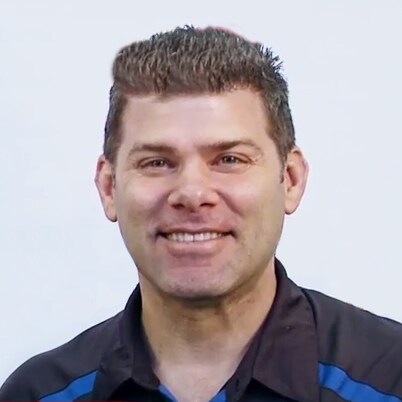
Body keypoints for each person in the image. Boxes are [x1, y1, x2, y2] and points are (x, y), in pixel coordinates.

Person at [1, 25, 402, 402]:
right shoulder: (40, 393)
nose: (192, 194)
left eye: (229, 159)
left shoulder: (389, 378)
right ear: (109, 187)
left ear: (291, 179)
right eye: (157, 162)